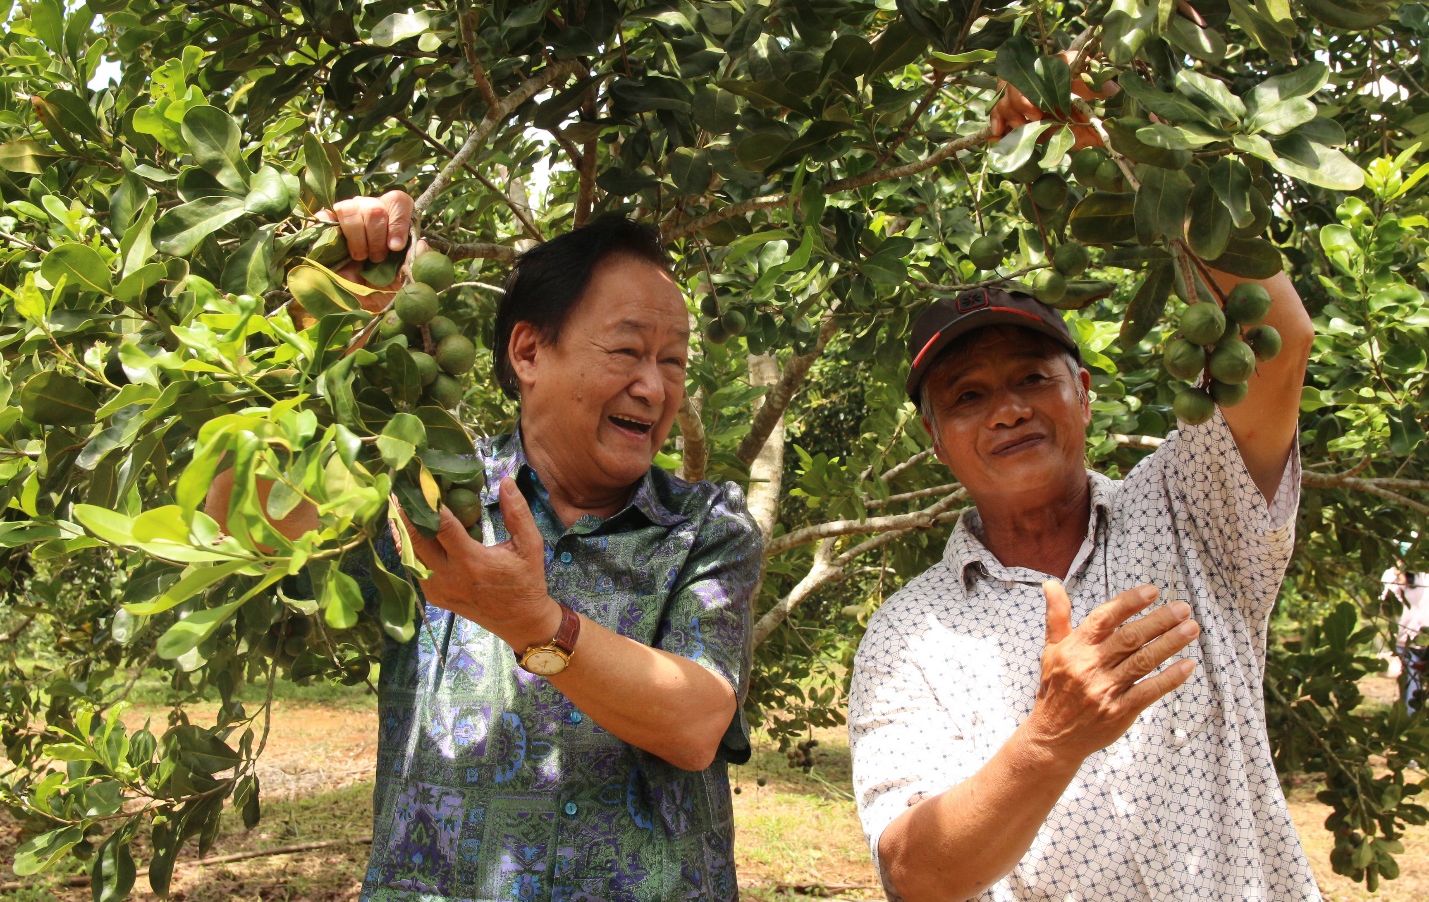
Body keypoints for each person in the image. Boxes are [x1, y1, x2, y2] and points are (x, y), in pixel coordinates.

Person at [205, 192, 762, 901]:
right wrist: (320, 329)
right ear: (528, 352)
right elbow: (242, 524)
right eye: (626, 350)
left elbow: (696, 722)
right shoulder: (426, 487)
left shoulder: (708, 525)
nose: (653, 387)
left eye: (673, 361)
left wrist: (533, 625)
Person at [847, 262, 1318, 892]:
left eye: (1032, 378)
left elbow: (1277, 345)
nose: (1008, 411)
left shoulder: (1190, 504)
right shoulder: (906, 635)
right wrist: (1051, 739)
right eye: (968, 397)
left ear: (1084, 393)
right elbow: (915, 875)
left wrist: (1178, 199)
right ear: (935, 438)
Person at [1382, 566, 1429, 710]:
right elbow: (1384, 608)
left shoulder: (1425, 574)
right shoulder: (1391, 575)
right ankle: (1410, 719)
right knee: (1411, 685)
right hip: (1405, 643)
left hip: (1426, 641)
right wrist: (1398, 579)